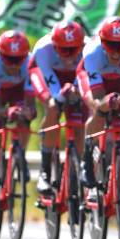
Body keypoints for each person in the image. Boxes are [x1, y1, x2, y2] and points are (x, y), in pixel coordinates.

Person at [76, 16, 120, 190]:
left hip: (119, 80)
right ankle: (87, 157)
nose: (116, 52)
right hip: (92, 80)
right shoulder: (92, 52)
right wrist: (105, 104)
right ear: (101, 41)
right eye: (110, 45)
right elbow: (98, 97)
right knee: (100, 109)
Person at [0, 30, 36, 230]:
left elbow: (30, 102)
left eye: (18, 59)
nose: (13, 65)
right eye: (9, 59)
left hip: (17, 92)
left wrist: (28, 112)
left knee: (25, 117)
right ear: (0, 54)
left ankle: (20, 155)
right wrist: (7, 112)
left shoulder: (30, 63)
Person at [29, 20, 87, 194]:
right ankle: (45, 171)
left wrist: (76, 91)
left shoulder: (89, 48)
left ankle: (76, 169)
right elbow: (53, 88)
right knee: (53, 106)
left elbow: (84, 78)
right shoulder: (43, 49)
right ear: (54, 45)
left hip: (74, 76)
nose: (69, 56)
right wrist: (60, 97)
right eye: (64, 50)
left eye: (73, 50)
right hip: (46, 74)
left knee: (80, 121)